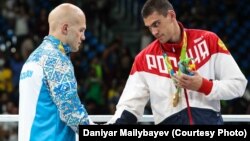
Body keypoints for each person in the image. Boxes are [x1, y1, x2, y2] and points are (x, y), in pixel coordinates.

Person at [107, 0, 248, 125]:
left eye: (156, 24)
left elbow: (238, 85)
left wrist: (204, 86)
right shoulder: (143, 59)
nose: (154, 32)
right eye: (149, 27)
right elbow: (129, 106)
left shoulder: (208, 41)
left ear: (171, 15)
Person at [19, 3, 93, 141]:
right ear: (65, 28)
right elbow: (71, 112)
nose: (83, 37)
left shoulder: (33, 58)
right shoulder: (56, 60)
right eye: (81, 30)